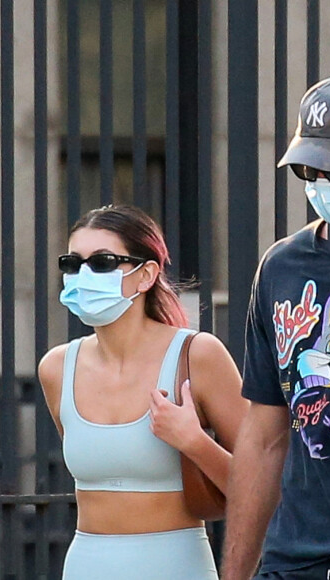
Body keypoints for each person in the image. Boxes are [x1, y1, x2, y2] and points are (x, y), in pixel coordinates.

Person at [222, 72, 330, 580]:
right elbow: (264, 436)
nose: (318, 185)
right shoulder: (281, 267)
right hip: (295, 561)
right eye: (307, 172)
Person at [38, 204, 247, 579]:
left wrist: (193, 441)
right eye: (73, 263)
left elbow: (261, 485)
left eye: (102, 262)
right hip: (87, 564)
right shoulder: (56, 368)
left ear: (146, 274)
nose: (83, 275)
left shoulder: (197, 355)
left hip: (176, 564)